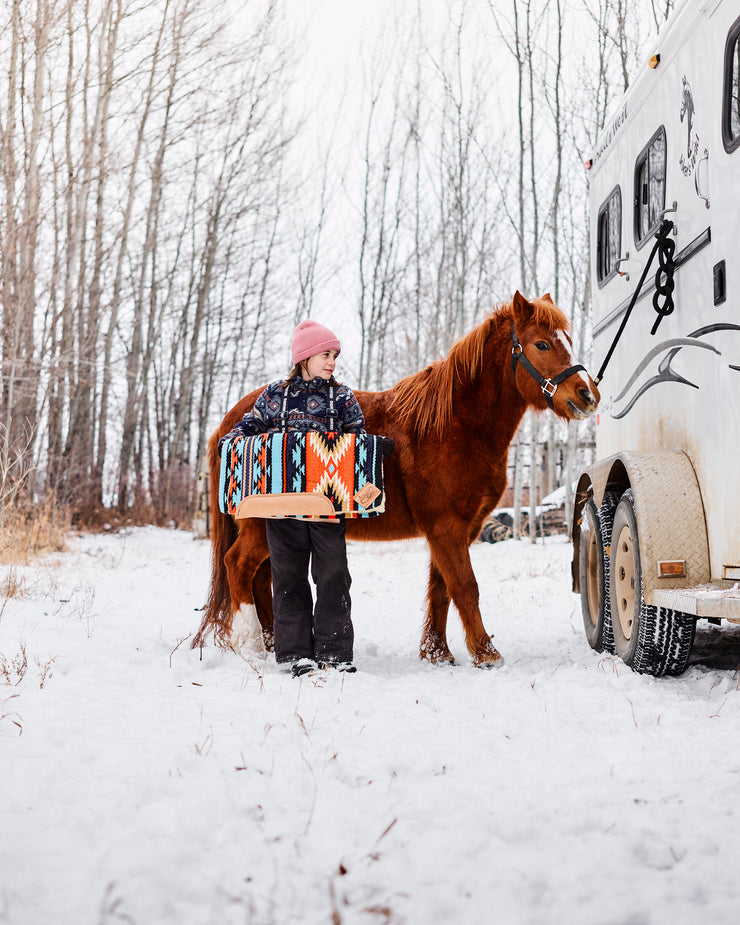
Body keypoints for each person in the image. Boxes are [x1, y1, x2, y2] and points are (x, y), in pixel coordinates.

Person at [219, 320, 365, 678]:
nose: (332, 361)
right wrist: (233, 441)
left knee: (333, 576)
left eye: (335, 355)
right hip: (281, 505)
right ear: (303, 357)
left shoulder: (342, 396)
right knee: (288, 576)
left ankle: (335, 651)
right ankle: (295, 653)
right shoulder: (273, 395)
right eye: (325, 354)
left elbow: (357, 437)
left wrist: (369, 452)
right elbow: (249, 426)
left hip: (327, 505)